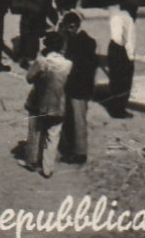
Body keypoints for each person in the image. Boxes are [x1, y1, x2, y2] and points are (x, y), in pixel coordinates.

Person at [21, 31, 72, 176]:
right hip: (59, 104)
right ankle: (47, 168)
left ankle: (32, 161)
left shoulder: (42, 62)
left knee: (35, 131)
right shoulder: (68, 65)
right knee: (53, 134)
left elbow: (29, 78)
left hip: (39, 101)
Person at [59, 11, 98, 164]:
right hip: (83, 87)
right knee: (75, 119)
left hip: (77, 87)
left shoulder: (76, 42)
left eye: (68, 27)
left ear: (73, 26)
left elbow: (71, 63)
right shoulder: (88, 41)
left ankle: (80, 153)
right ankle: (74, 148)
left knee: (77, 120)